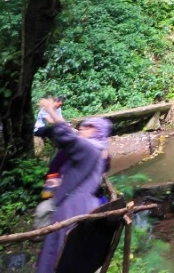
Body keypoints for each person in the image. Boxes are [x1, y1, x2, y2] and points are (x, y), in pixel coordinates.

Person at [34, 98, 112, 273]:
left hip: (73, 207)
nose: (81, 128)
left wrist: (50, 110)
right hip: (85, 205)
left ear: (98, 131)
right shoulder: (99, 150)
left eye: (88, 126)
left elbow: (67, 135)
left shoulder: (89, 149)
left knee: (58, 252)